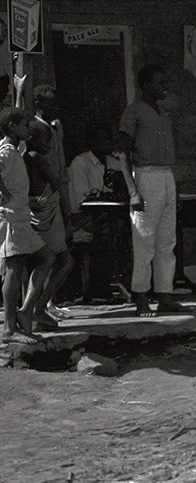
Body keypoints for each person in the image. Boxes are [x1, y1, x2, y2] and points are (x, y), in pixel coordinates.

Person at [116, 63, 186, 317]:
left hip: (166, 175)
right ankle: (142, 298)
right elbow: (122, 152)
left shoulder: (163, 113)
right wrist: (133, 191)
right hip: (145, 176)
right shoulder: (133, 112)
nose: (165, 87)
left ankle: (165, 295)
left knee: (167, 242)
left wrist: (174, 188)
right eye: (160, 82)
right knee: (144, 241)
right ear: (146, 85)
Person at [0, 108, 53, 344]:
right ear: (13, 126)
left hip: (21, 216)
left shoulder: (15, 148)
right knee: (14, 270)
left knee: (46, 257)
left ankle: (25, 310)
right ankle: (9, 328)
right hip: (11, 219)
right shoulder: (5, 150)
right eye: (25, 125)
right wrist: (3, 191)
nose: (29, 128)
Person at [67, 124, 126, 303]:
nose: (108, 143)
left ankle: (121, 282)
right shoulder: (80, 163)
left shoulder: (113, 162)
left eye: (109, 139)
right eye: (103, 139)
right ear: (92, 142)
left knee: (127, 230)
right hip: (83, 217)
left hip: (107, 214)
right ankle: (99, 288)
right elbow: (81, 200)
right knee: (106, 233)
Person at [24, 120, 74, 329]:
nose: (49, 145)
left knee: (40, 264)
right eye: (46, 140)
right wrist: (67, 213)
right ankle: (38, 307)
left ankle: (35, 309)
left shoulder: (24, 158)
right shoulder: (37, 158)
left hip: (37, 216)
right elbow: (56, 183)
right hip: (46, 217)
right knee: (64, 262)